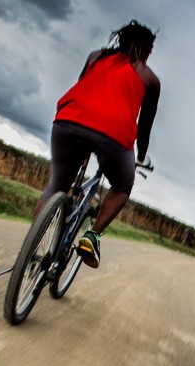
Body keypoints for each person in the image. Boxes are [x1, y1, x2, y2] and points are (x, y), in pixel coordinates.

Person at [35, 19, 161, 269]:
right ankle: (91, 237)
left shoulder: (96, 56)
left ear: (121, 39)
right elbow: (144, 128)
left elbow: (84, 86)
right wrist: (140, 157)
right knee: (123, 185)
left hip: (68, 120)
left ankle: (33, 246)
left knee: (57, 184)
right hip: (113, 135)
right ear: (147, 49)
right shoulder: (150, 79)